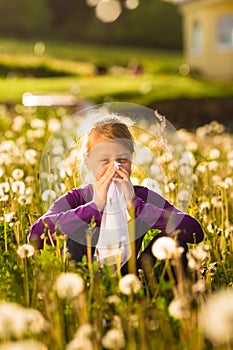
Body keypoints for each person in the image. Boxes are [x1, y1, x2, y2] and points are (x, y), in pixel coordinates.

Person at [29, 116, 204, 276]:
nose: (114, 168)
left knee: (175, 243)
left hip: (132, 274)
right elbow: (36, 235)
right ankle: (82, 301)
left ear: (132, 160)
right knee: (70, 240)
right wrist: (94, 207)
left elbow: (194, 231)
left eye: (122, 160)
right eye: (104, 160)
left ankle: (163, 296)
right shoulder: (77, 198)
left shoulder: (141, 196)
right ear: (88, 162)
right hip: (87, 274)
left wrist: (135, 206)